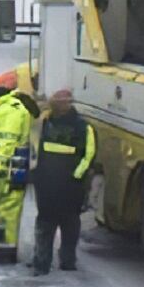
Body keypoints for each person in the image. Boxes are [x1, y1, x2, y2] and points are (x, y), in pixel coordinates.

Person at [32, 89, 96, 274]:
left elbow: (89, 155)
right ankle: (42, 262)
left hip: (69, 186)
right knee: (46, 222)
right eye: (58, 102)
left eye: (64, 102)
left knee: (68, 223)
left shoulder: (83, 127)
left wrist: (76, 176)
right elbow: (35, 147)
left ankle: (66, 261)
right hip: (47, 183)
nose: (61, 106)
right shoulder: (45, 122)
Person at [0, 70, 37, 264]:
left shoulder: (12, 109)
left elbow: (6, 141)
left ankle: (7, 252)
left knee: (8, 212)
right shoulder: (1, 107)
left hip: (8, 169)